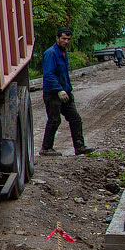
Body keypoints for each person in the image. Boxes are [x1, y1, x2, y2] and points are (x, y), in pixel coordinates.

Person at [40, 27, 94, 157]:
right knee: (54, 120)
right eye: (64, 38)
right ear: (57, 38)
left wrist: (67, 90)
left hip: (65, 92)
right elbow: (48, 74)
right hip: (53, 93)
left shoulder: (63, 53)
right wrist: (59, 90)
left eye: (68, 39)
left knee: (75, 119)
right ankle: (46, 148)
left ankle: (79, 147)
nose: (66, 41)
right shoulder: (51, 53)